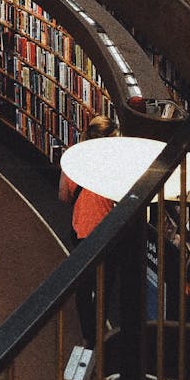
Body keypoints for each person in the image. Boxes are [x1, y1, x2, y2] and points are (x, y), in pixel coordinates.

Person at [59, 113, 120, 347]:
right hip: (108, 234)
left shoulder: (75, 159)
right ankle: (98, 333)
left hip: (82, 230)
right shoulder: (115, 165)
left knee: (84, 286)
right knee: (105, 286)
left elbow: (64, 196)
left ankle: (89, 337)